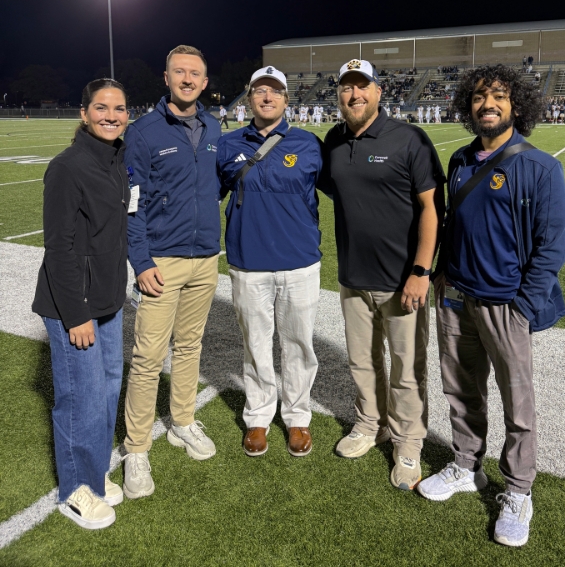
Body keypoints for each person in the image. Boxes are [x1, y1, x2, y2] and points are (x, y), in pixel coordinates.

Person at [418, 64, 565, 548]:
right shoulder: (461, 158)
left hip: (506, 306)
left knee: (518, 405)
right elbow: (453, 223)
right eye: (480, 96)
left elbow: (552, 247)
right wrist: (441, 271)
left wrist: (523, 307)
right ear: (469, 106)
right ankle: (467, 465)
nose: (488, 104)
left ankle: (519, 490)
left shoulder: (540, 166)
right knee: (461, 391)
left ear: (516, 105)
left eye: (499, 96)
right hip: (456, 298)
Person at [322, 59, 445, 490]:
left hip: (402, 281)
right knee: (361, 362)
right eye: (346, 88)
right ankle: (369, 423)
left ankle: (408, 441)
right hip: (353, 278)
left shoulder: (409, 138)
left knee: (407, 370)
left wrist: (421, 271)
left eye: (362, 86)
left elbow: (432, 208)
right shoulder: (333, 141)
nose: (354, 95)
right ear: (338, 94)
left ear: (378, 92)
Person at [122, 45, 222, 498]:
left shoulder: (216, 127)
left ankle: (182, 420)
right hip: (161, 261)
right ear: (166, 77)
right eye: (179, 72)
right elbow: (132, 204)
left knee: (190, 346)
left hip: (205, 258)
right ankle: (136, 448)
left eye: (194, 74)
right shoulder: (142, 132)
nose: (187, 79)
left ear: (204, 82)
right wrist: (141, 262)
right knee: (147, 357)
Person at [32, 78, 131, 529]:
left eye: (120, 108)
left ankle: (94, 473)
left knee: (108, 388)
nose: (111, 115)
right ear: (84, 113)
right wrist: (77, 315)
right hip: (75, 306)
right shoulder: (68, 167)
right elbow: (59, 248)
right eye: (102, 107)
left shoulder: (116, 158)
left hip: (108, 298)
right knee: (81, 399)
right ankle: (75, 490)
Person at [217, 65, 325, 458]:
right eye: (259, 91)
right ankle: (259, 415)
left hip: (299, 263)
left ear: (285, 100)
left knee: (298, 345)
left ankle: (297, 417)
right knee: (256, 345)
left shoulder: (310, 144)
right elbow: (206, 196)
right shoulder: (228, 146)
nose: (267, 97)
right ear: (249, 99)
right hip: (248, 263)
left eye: (275, 91)